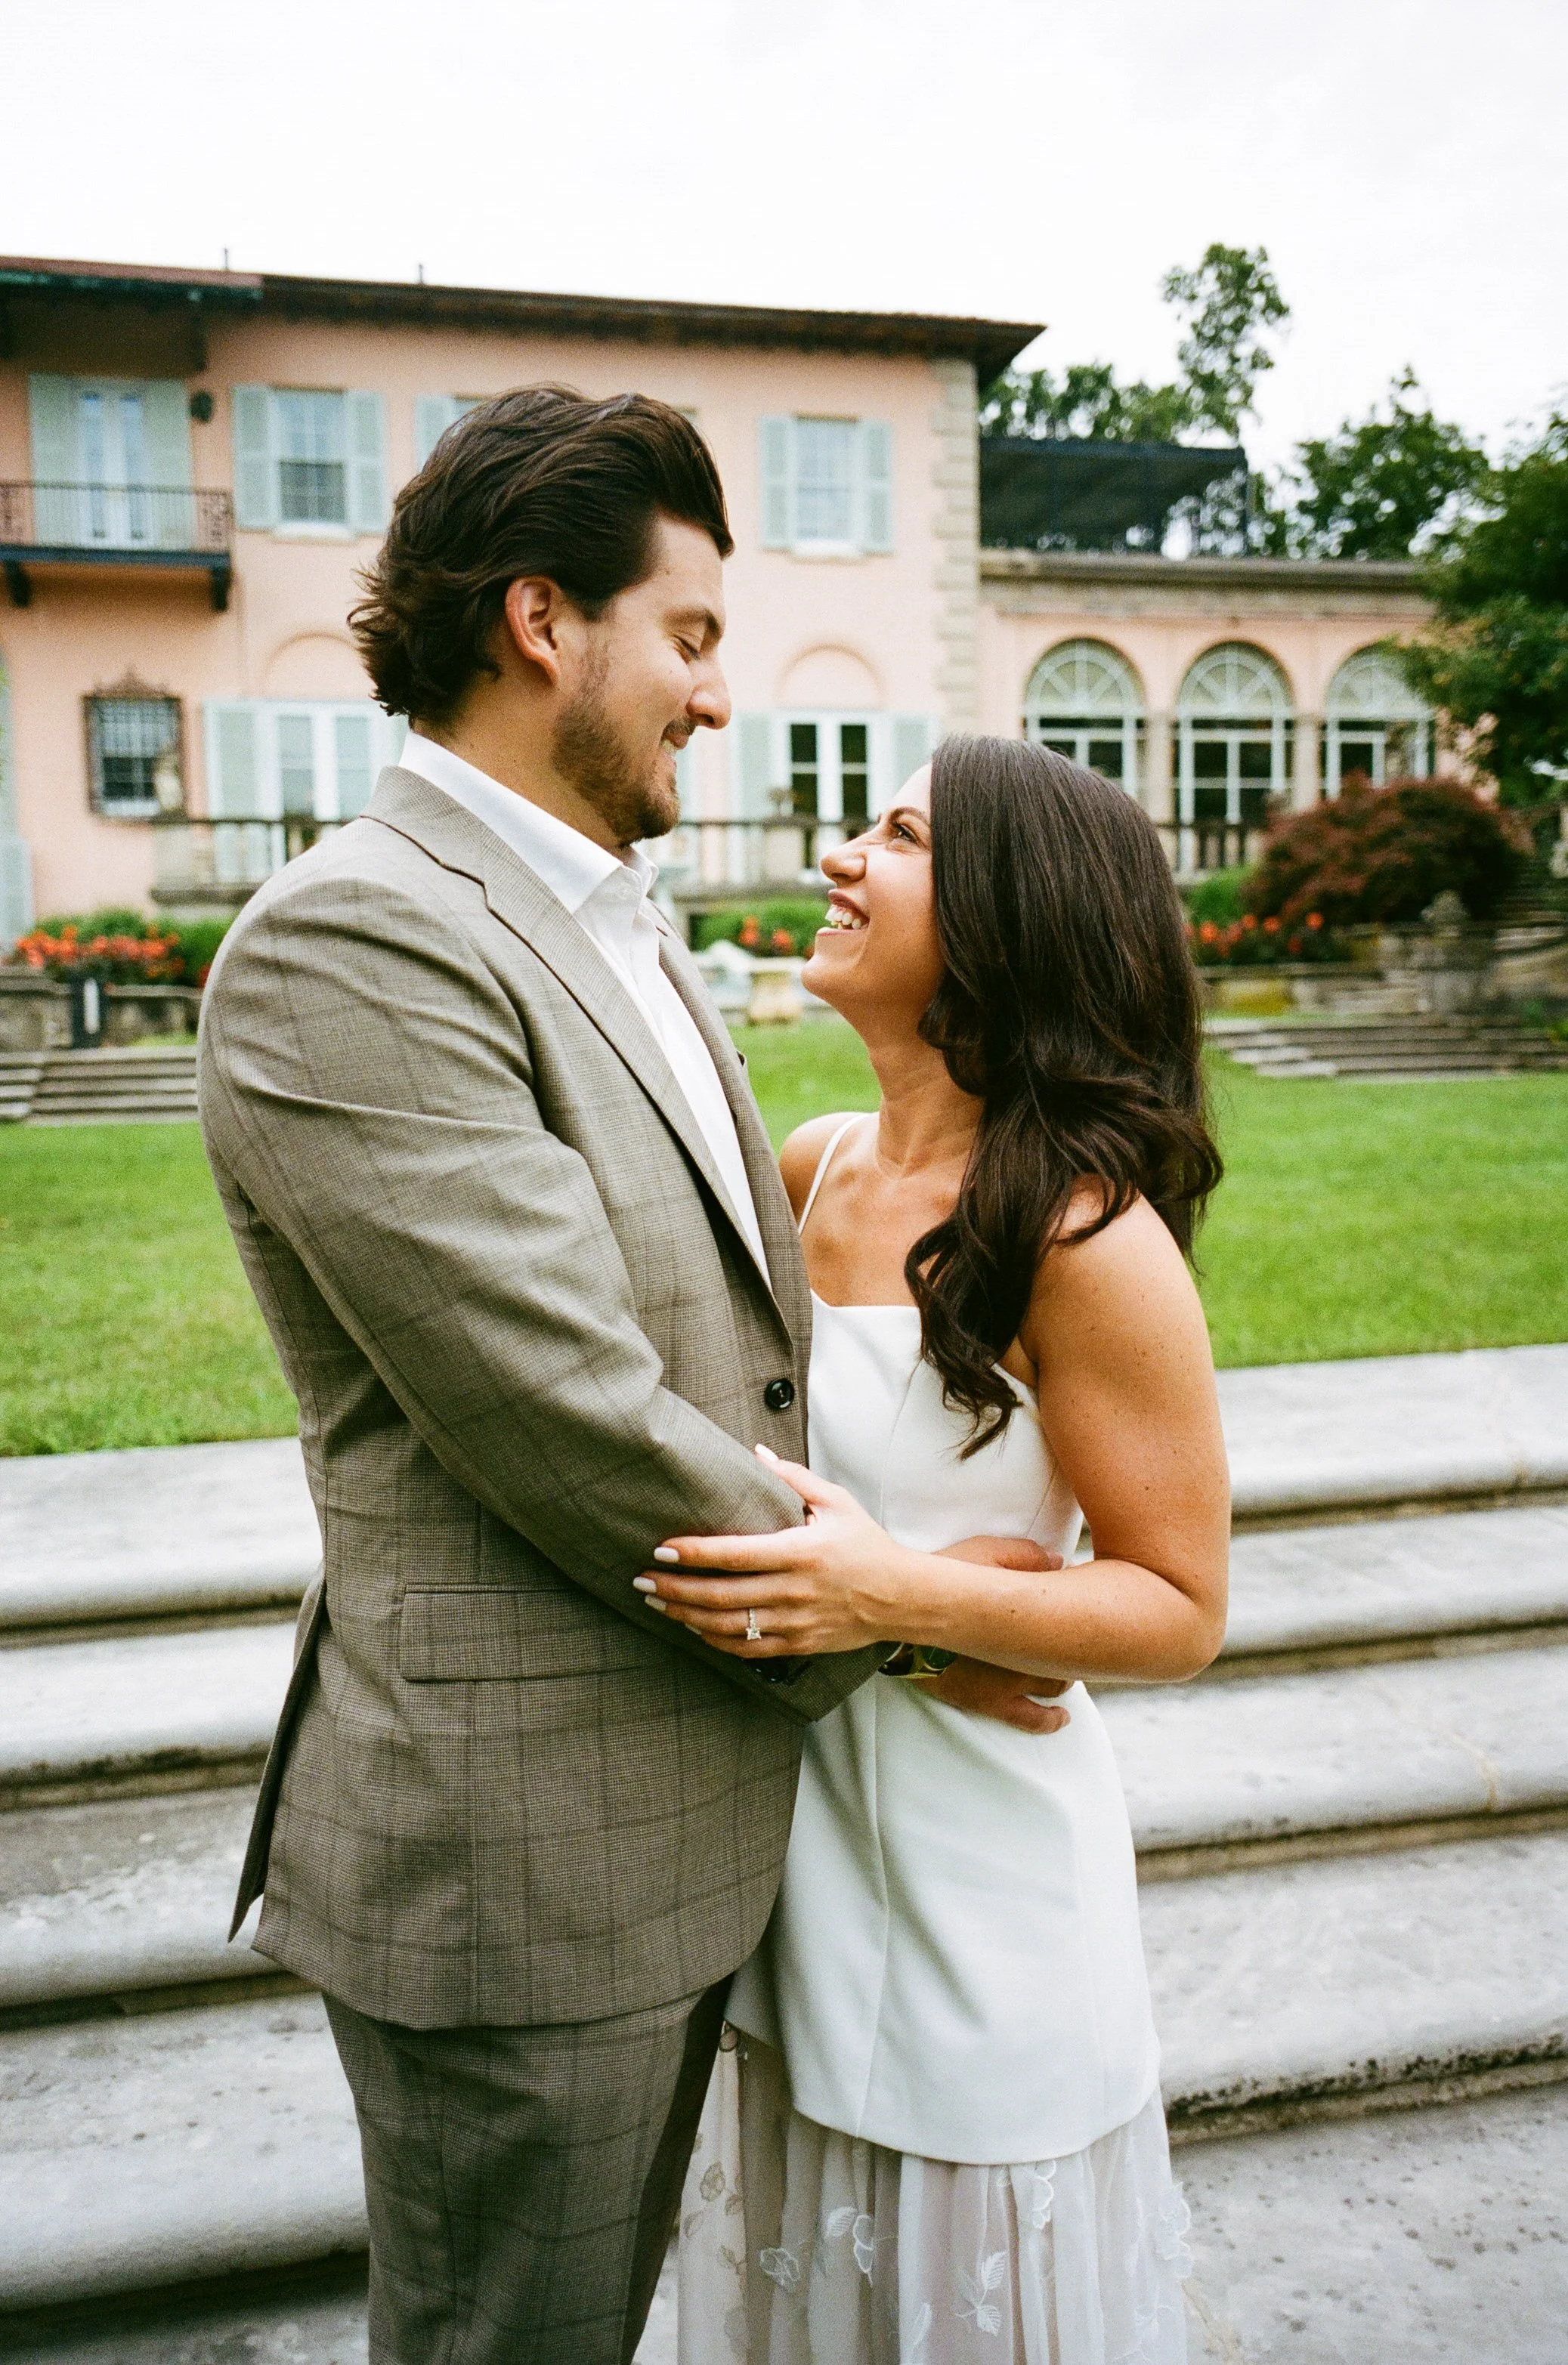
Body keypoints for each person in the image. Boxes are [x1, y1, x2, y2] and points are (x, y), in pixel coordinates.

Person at [199, 390, 1062, 2365]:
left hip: (684, 1838)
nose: (715, 697)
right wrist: (918, 1620)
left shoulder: (623, 930)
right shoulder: (357, 941)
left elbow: (737, 1342)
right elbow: (571, 1410)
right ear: (539, 623)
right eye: (685, 637)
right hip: (517, 1873)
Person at [649, 739, 1232, 2364]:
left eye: (897, 833)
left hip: (983, 1887)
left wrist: (898, 1602)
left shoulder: (1080, 1232)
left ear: (1001, 918)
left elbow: (1180, 1602)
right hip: (793, 1872)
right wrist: (918, 1608)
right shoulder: (809, 1163)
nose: (840, 854)